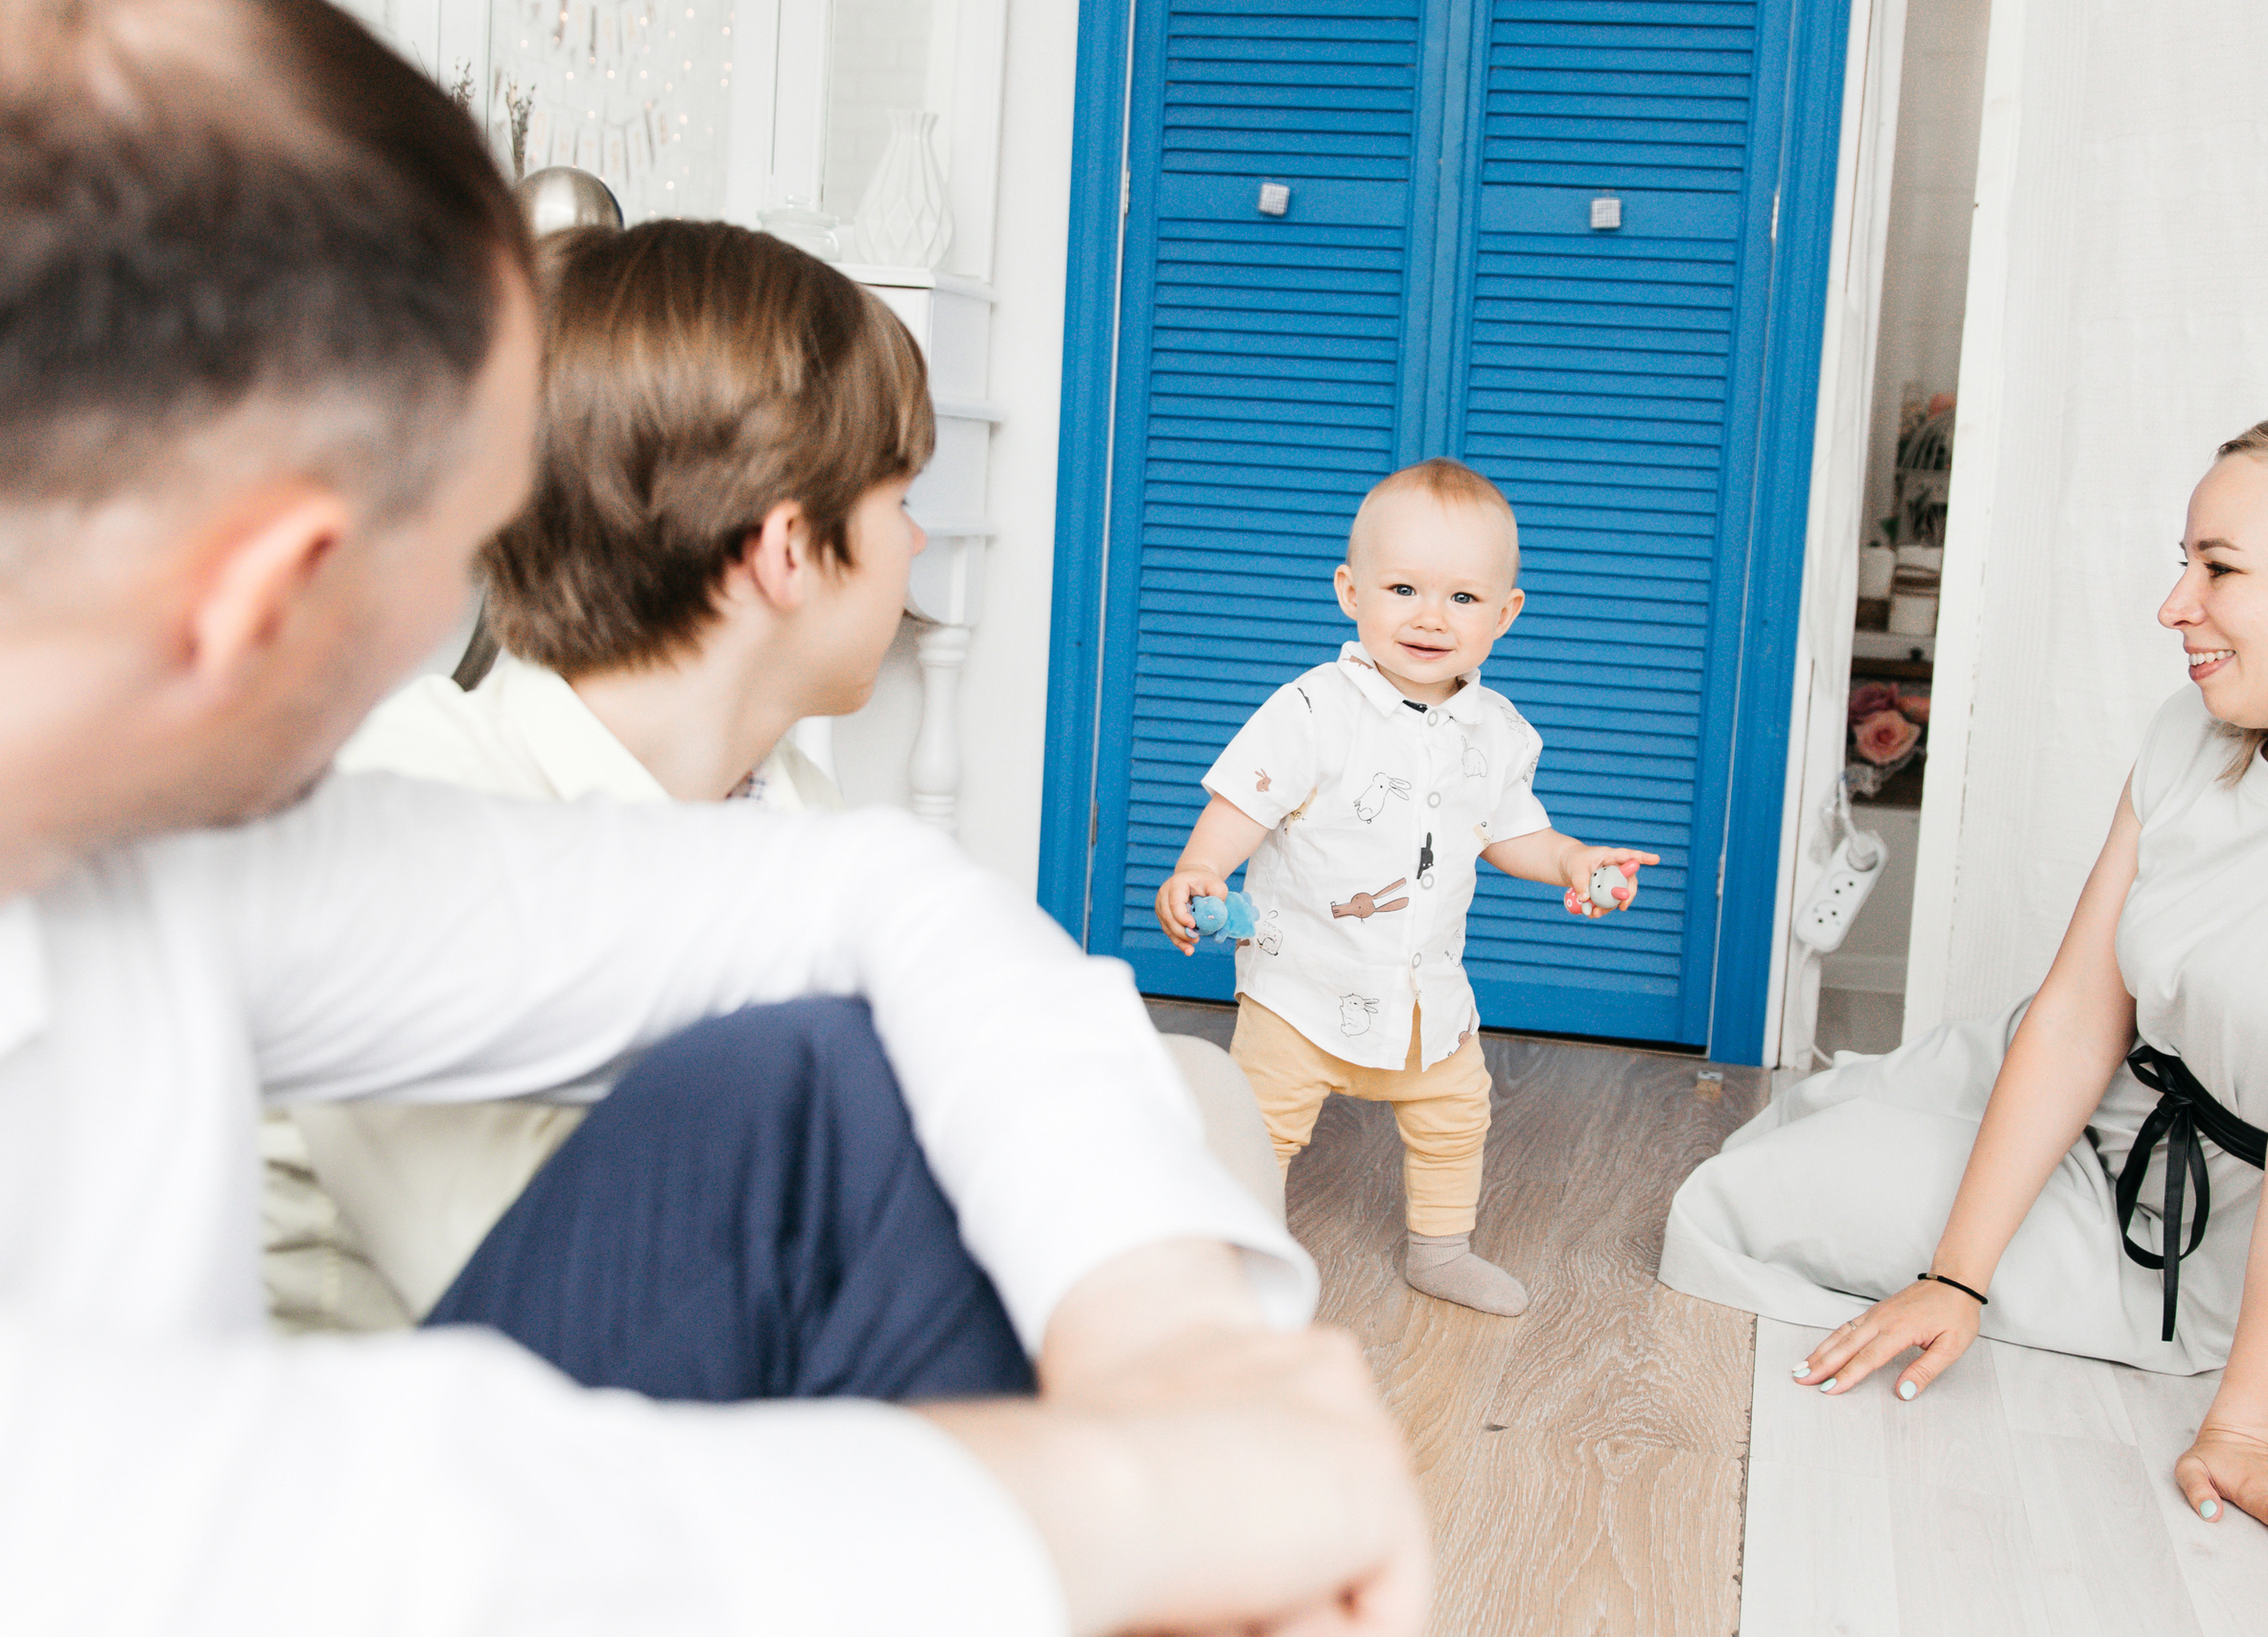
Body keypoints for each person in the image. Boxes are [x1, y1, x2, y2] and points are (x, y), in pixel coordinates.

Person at [0, 1, 1426, 1630]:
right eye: (463, 535)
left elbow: (864, 898)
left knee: (839, 1076)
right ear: (269, 595)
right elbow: (280, 1528)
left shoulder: (165, 847)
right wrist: (1127, 1489)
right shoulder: (358, 777)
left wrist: (1167, 1352)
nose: (502, 592)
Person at [262, 219, 1283, 1331]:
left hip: (681, 1362)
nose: (917, 546)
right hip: (421, 1425)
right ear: (786, 551)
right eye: (900, 503)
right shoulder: (410, 807)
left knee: (1195, 1086)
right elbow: (544, 1288)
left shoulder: (788, 807)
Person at [1661, 406, 2268, 1565]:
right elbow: (2082, 1010)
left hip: (2194, 1208)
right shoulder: (2192, 732)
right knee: (1813, 1120)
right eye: (2181, 563)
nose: (2174, 606)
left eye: (2219, 568)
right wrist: (1955, 1275)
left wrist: (2238, 1428)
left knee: (1730, 1206)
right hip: (2072, 1078)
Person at [1153, 458, 1658, 1315]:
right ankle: (1237, 1254)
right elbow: (1247, 795)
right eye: (1402, 588)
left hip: (1424, 991)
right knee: (1261, 1127)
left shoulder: (1497, 732)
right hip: (1299, 985)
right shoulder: (1313, 709)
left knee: (1458, 1116)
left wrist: (1571, 859)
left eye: (1463, 598)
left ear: (1506, 613)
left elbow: (1512, 830)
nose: (1430, 617)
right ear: (1351, 591)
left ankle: (1440, 1249)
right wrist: (1202, 866)